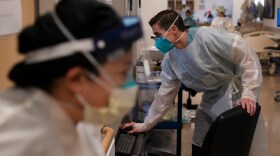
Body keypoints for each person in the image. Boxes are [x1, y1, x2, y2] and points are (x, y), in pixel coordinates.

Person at [0, 0, 143, 156]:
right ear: (76, 79)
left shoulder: (76, 116)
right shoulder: (13, 141)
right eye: (122, 73)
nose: (128, 84)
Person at [123, 10, 268, 156]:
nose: (157, 40)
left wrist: (249, 92)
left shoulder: (206, 37)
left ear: (173, 29)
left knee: (230, 142)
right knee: (201, 136)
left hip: (237, 96)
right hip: (211, 97)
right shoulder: (171, 60)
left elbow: (246, 55)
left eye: (159, 35)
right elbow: (164, 97)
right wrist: (146, 124)